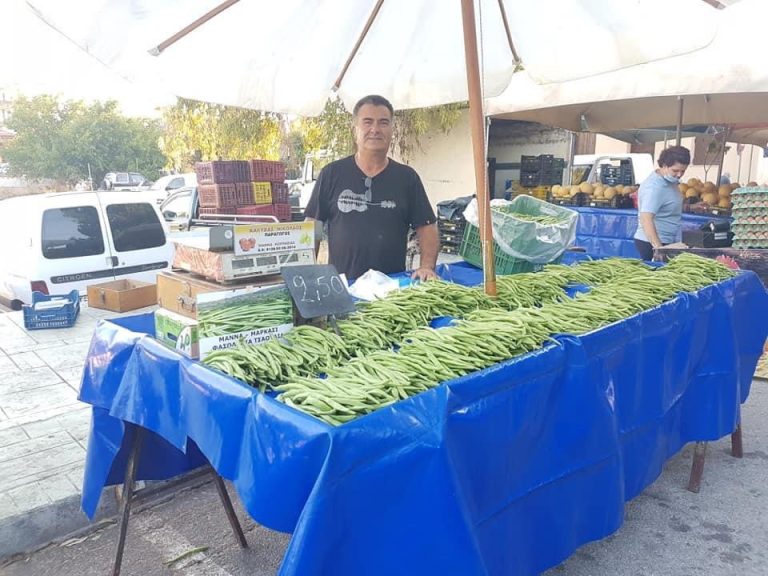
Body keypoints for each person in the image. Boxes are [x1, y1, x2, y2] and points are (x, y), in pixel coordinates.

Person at [305, 95, 439, 281]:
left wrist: (427, 267)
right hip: (342, 287)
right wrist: (306, 273)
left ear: (392, 129)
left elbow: (427, 227)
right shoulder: (331, 174)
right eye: (367, 122)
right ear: (355, 129)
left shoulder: (407, 178)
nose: (375, 129)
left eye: (383, 123)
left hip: (391, 288)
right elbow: (314, 224)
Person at [633, 145, 690, 261]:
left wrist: (691, 206)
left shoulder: (669, 181)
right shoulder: (655, 187)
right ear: (664, 165)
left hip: (667, 240)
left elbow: (666, 205)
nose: (679, 175)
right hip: (652, 242)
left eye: (683, 171)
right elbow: (646, 218)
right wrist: (659, 249)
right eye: (675, 170)